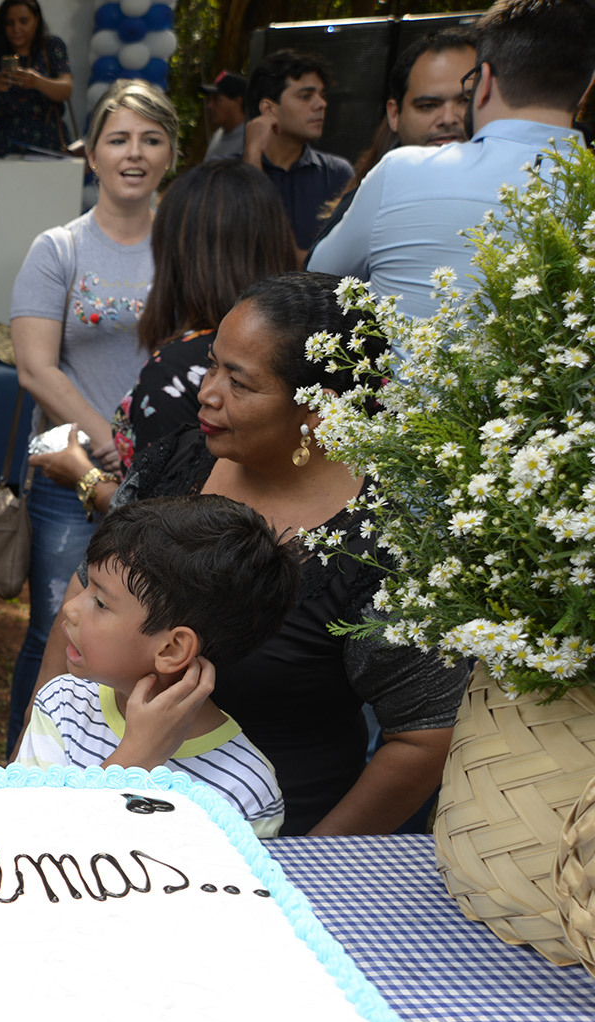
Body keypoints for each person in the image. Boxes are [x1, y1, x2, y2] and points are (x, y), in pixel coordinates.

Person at [39, 272, 468, 836]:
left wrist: (309, 869)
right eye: (212, 364)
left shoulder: (384, 548)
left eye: (239, 383)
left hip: (276, 836)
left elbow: (425, 733)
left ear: (318, 407)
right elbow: (85, 590)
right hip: (90, 789)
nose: (207, 392)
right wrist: (35, 733)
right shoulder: (178, 464)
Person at [4, 80, 177, 755]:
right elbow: (36, 368)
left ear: (170, 154)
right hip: (68, 471)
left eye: (151, 139)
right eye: (119, 139)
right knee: (59, 626)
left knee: (144, 631)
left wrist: (142, 458)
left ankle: (120, 758)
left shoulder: (184, 243)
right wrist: (111, 445)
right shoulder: (58, 248)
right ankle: (24, 760)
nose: (134, 154)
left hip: (166, 478)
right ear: (92, 155)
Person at [16, 495, 297, 836]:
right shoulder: (63, 707)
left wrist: (137, 758)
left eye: (101, 602)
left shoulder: (246, 789)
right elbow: (27, 841)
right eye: (87, 586)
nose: (71, 608)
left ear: (173, 648)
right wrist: (134, 758)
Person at [310, 0, 594, 318]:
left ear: (483, 82)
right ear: (586, 89)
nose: (448, 118)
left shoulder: (399, 174)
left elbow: (315, 286)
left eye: (463, 96)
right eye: (428, 105)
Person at [32, 160, 296, 499]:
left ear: (177, 252)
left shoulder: (176, 371)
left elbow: (159, 525)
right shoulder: (301, 346)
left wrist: (86, 478)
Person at [311, 29, 477, 246]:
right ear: (394, 114)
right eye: (428, 106)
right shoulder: (364, 203)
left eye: (465, 101)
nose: (448, 118)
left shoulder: (523, 191)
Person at [239, 50, 353, 254]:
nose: (321, 104)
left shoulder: (337, 174)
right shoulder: (223, 174)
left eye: (321, 95)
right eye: (306, 96)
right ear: (268, 108)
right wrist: (253, 155)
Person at [0, 0, 72, 220]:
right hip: (7, 145)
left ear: (37, 21)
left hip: (47, 141)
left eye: (23, 21)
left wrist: (38, 82)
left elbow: (65, 90)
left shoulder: (51, 46)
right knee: (8, 218)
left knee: (48, 214)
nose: (16, 29)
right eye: (10, 23)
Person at [199, 70, 248, 162]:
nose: (209, 105)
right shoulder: (217, 136)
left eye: (217, 99)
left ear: (237, 102)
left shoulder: (250, 138)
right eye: (209, 100)